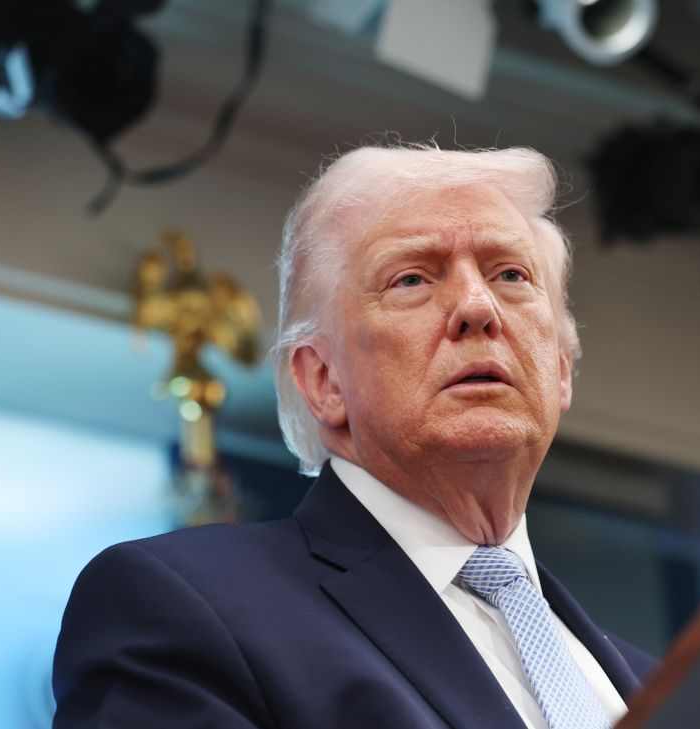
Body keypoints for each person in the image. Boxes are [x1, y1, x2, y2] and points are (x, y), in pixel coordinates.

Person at [52, 143, 657, 729]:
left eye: (511, 274)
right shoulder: (186, 607)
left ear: (559, 367)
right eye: (413, 279)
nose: (478, 306)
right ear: (323, 380)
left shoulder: (662, 687)